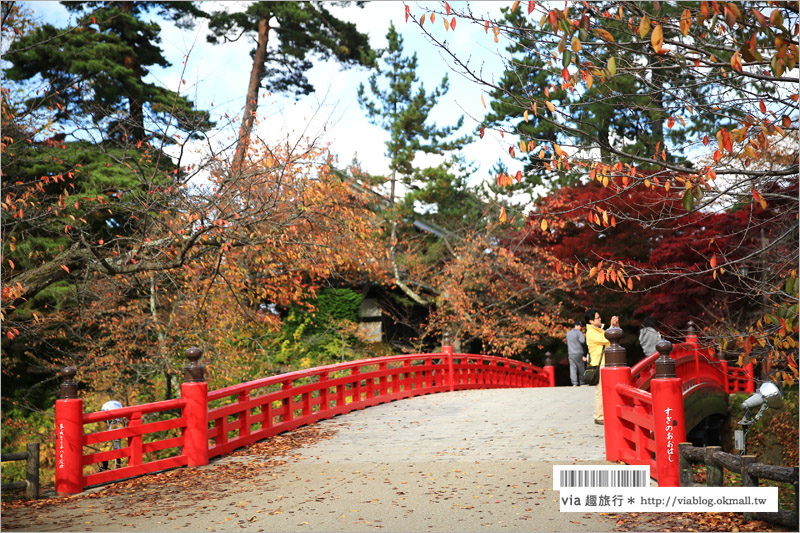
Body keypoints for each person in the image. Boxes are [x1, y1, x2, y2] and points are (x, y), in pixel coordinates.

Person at [584, 308, 619, 425]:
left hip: (606, 363)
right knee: (600, 391)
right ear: (591, 321)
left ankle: (605, 414)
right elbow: (606, 338)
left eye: (599, 317)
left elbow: (614, 337)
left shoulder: (599, 330)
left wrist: (615, 326)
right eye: (597, 318)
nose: (599, 319)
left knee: (606, 390)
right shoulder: (591, 333)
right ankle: (598, 416)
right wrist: (611, 326)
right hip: (599, 364)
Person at [566, 320, 587, 386]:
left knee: (572, 367)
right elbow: (582, 341)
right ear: (576, 326)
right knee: (581, 368)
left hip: (571, 352)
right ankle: (582, 382)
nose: (581, 328)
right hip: (578, 352)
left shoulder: (568, 333)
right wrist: (584, 336)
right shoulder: (579, 333)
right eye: (580, 326)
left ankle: (574, 382)